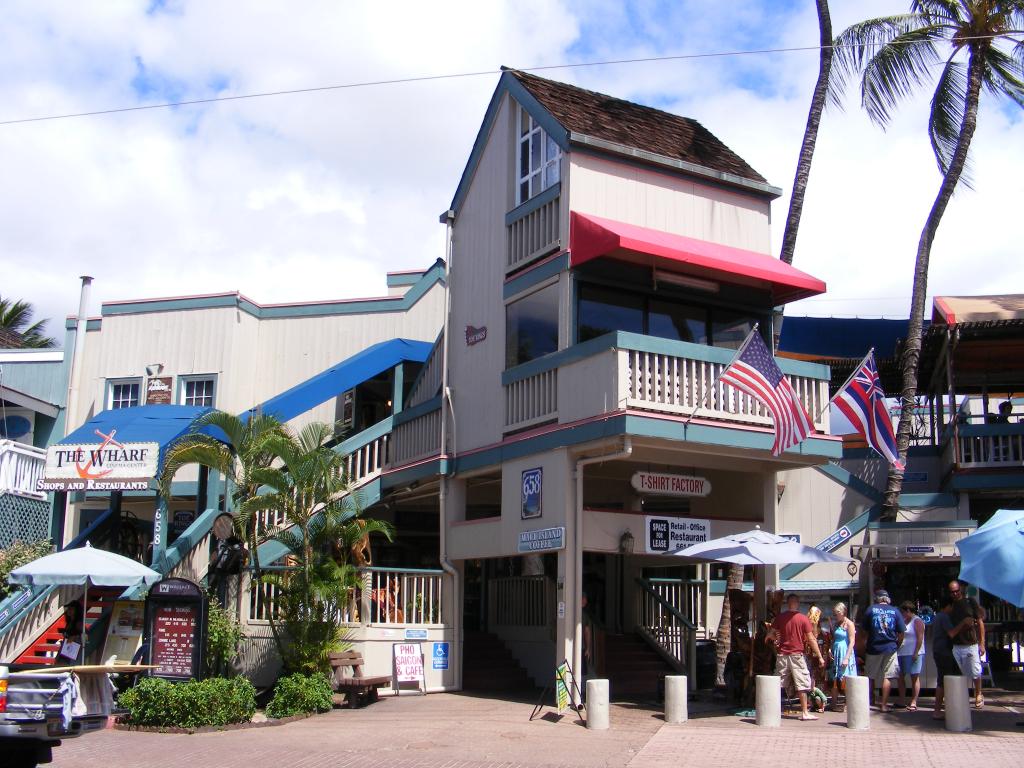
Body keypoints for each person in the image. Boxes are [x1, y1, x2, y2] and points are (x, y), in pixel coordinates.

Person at [767, 593, 825, 721]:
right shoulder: (803, 619)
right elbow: (811, 639)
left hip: (782, 655)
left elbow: (770, 634)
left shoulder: (780, 618)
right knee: (802, 684)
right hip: (796, 655)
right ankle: (804, 712)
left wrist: (773, 640)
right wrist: (820, 656)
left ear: (788, 603)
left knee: (777, 683)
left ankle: (771, 710)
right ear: (797, 603)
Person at [859, 589, 906, 713]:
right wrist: (897, 644)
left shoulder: (870, 609)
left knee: (870, 677)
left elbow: (864, 631)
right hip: (890, 648)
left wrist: (864, 644)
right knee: (888, 677)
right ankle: (884, 705)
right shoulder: (895, 611)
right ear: (887, 599)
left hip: (873, 647)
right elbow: (901, 632)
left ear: (877, 598)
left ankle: (869, 702)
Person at [947, 580, 986, 709]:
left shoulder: (970, 602)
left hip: (970, 643)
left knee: (975, 671)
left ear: (961, 590)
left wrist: (982, 643)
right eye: (952, 592)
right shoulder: (950, 606)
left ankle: (978, 693)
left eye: (957, 591)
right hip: (956, 644)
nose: (955, 594)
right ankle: (960, 696)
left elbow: (980, 622)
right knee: (959, 673)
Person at [931, 598, 958, 720]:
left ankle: (940, 709)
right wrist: (963, 624)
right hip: (943, 652)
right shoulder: (944, 617)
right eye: (952, 607)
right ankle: (937, 710)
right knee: (943, 681)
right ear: (948, 606)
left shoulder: (938, 617)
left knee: (942, 679)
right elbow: (952, 633)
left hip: (938, 651)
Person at [897, 601, 926, 711]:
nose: (903, 614)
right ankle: (902, 699)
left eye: (904, 612)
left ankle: (914, 701)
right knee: (900, 676)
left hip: (914, 652)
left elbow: (920, 638)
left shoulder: (917, 620)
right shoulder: (904, 621)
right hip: (902, 652)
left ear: (908, 610)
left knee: (914, 677)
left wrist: (916, 652)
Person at [828, 602, 857, 712]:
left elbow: (852, 641)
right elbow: (834, 639)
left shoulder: (849, 624)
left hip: (845, 651)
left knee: (845, 678)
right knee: (835, 677)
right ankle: (834, 703)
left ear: (843, 611)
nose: (836, 615)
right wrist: (830, 649)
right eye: (835, 613)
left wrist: (846, 657)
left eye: (838, 612)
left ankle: (847, 703)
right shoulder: (836, 624)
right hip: (836, 651)